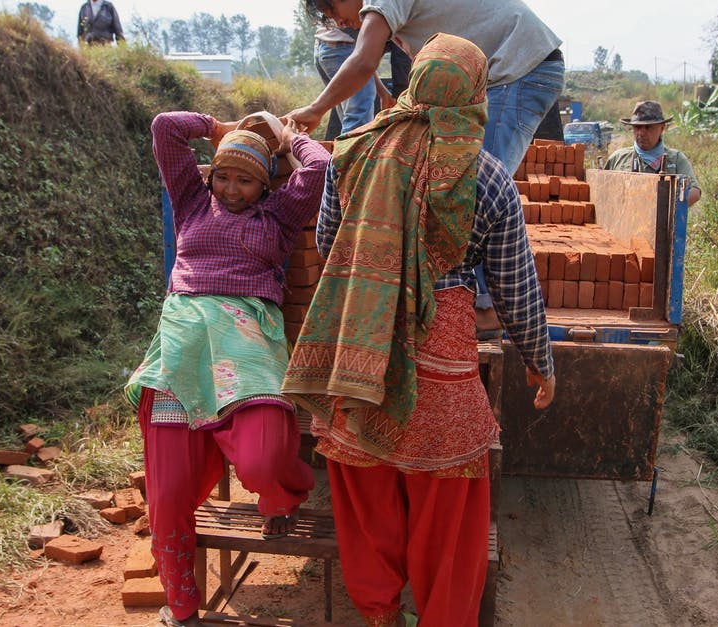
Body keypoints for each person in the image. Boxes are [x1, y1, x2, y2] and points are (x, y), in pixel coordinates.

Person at [283, 34, 556, 627]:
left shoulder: (353, 154)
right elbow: (514, 287)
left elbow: (332, 249)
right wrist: (540, 360)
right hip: (444, 375)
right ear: (477, 92)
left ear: (415, 81)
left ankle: (380, 615)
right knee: (449, 522)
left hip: (361, 359)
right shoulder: (486, 177)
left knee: (365, 499)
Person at [127, 111, 328, 627]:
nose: (232, 188)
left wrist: (287, 139)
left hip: (246, 341)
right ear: (209, 174)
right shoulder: (191, 202)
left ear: (265, 185)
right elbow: (164, 128)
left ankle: (283, 495)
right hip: (182, 344)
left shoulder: (279, 218)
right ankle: (182, 607)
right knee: (167, 494)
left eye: (245, 179)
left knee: (263, 460)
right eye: (223, 175)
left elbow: (320, 165)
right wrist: (219, 128)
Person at [290, 0, 565, 340]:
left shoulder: (382, 2)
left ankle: (485, 308)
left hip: (520, 67)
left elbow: (363, 61)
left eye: (333, 10)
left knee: (475, 182)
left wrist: (316, 109)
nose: (340, 22)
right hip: (507, 67)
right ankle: (467, 299)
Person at [604, 100, 702, 206]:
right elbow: (602, 190)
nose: (641, 133)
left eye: (648, 127)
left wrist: (662, 205)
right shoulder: (618, 158)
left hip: (663, 221)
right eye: (637, 127)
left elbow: (694, 193)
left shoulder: (676, 159)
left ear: (662, 128)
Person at [315, 25, 378, 140]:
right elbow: (364, 59)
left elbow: (367, 60)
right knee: (358, 126)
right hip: (343, 47)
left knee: (349, 122)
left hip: (325, 45)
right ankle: (351, 157)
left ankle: (344, 154)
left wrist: (383, 92)